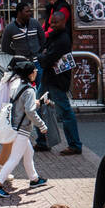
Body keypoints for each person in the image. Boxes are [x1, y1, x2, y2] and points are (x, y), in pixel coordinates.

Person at [0, 59, 49, 197]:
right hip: (22, 129)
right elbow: (30, 111)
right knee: (14, 159)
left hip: (16, 127)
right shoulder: (30, 90)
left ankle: (34, 178)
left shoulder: (18, 85)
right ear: (29, 73)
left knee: (29, 153)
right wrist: (42, 125)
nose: (36, 71)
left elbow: (24, 107)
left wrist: (35, 105)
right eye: (34, 70)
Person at [34, 11, 82, 156]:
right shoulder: (55, 36)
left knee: (65, 112)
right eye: (51, 22)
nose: (53, 25)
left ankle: (74, 145)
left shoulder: (62, 39)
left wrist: (43, 55)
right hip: (48, 79)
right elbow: (43, 54)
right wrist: (44, 55)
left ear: (63, 22)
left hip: (56, 81)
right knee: (36, 108)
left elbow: (45, 59)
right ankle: (42, 141)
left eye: (56, 22)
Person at [1, 0, 42, 65]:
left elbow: (43, 40)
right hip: (21, 64)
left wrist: (39, 52)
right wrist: (17, 53)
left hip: (37, 62)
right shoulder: (10, 28)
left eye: (30, 11)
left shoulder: (35, 23)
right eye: (27, 11)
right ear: (19, 13)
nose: (29, 13)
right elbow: (5, 47)